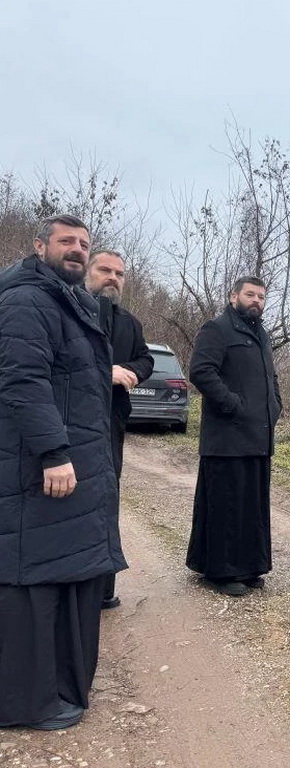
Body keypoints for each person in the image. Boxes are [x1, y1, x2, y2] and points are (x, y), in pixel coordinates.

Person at [0, 214, 123, 730]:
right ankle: (29, 701)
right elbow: (23, 381)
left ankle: (60, 688)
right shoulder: (26, 300)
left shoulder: (69, 299)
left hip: (82, 456)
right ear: (40, 246)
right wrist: (54, 451)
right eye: (66, 242)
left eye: (83, 244)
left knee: (68, 572)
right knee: (35, 580)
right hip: (42, 465)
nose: (76, 250)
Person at [186, 276, 281, 597]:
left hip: (258, 436)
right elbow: (200, 371)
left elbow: (271, 377)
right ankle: (221, 572)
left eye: (261, 296)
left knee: (252, 507)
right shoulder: (217, 328)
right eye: (250, 294)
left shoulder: (261, 334)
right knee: (226, 505)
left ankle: (250, 566)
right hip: (227, 437)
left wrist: (274, 406)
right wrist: (232, 404)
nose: (256, 300)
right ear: (233, 296)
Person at [85, 250, 154, 610]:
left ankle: (102, 588)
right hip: (72, 421)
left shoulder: (129, 321)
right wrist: (104, 372)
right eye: (105, 270)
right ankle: (72, 588)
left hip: (113, 420)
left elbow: (145, 359)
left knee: (107, 499)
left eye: (119, 273)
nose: (112, 278)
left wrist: (128, 370)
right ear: (87, 271)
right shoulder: (70, 310)